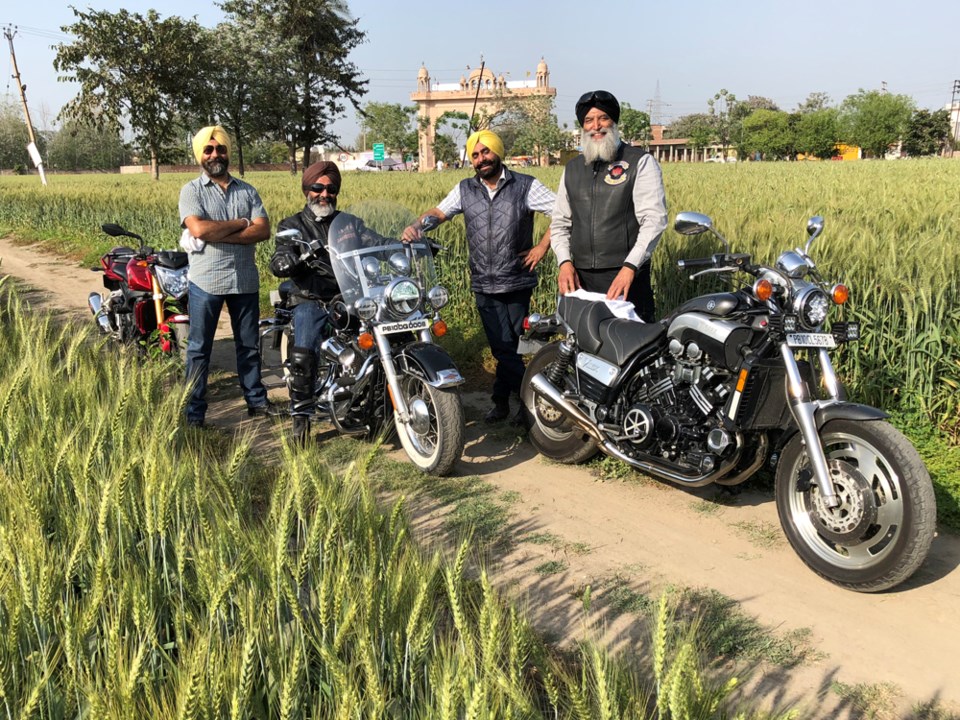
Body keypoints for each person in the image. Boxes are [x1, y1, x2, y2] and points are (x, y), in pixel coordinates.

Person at [403, 129, 555, 424]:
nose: (481, 158)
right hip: (484, 282)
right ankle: (530, 404)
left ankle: (504, 403)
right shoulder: (465, 190)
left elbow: (563, 211)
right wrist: (416, 226)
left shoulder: (525, 186)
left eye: (486, 152)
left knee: (509, 347)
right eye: (475, 154)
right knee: (502, 347)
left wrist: (542, 247)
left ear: (498, 152)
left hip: (516, 279)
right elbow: (439, 212)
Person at [269, 160, 385, 444]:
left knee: (383, 336)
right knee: (304, 351)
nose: (324, 194)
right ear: (307, 189)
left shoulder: (349, 223)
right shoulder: (291, 225)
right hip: (310, 298)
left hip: (348, 296)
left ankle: (374, 403)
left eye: (330, 188)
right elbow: (280, 253)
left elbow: (375, 241)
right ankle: (301, 417)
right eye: (317, 187)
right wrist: (285, 259)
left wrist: (406, 244)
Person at [179, 125, 272, 427]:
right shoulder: (191, 191)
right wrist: (243, 223)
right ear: (200, 155)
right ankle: (194, 413)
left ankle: (256, 402)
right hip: (205, 281)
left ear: (228, 152)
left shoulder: (247, 190)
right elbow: (198, 230)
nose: (215, 154)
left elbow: (264, 230)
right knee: (198, 348)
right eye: (208, 149)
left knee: (248, 346)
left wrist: (220, 232)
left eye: (220, 149)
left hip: (244, 280)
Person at [550, 90, 668, 322]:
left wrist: (629, 268)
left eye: (603, 118)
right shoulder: (572, 169)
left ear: (614, 122)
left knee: (631, 349)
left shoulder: (639, 162)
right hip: (580, 278)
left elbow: (654, 221)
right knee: (583, 348)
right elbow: (560, 222)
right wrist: (564, 262)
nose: (596, 126)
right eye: (588, 120)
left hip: (625, 277)